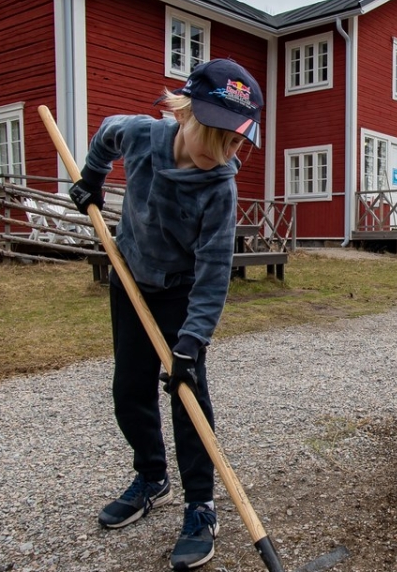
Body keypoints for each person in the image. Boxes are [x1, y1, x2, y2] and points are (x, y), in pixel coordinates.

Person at [68, 59, 261, 571]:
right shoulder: (141, 135)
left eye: (236, 143)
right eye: (215, 135)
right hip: (130, 281)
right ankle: (152, 477)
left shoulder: (219, 187)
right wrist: (92, 177)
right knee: (129, 391)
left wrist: (192, 341)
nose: (222, 154)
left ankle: (201, 505)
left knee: (187, 394)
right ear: (183, 111)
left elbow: (214, 271)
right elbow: (106, 133)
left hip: (180, 295)